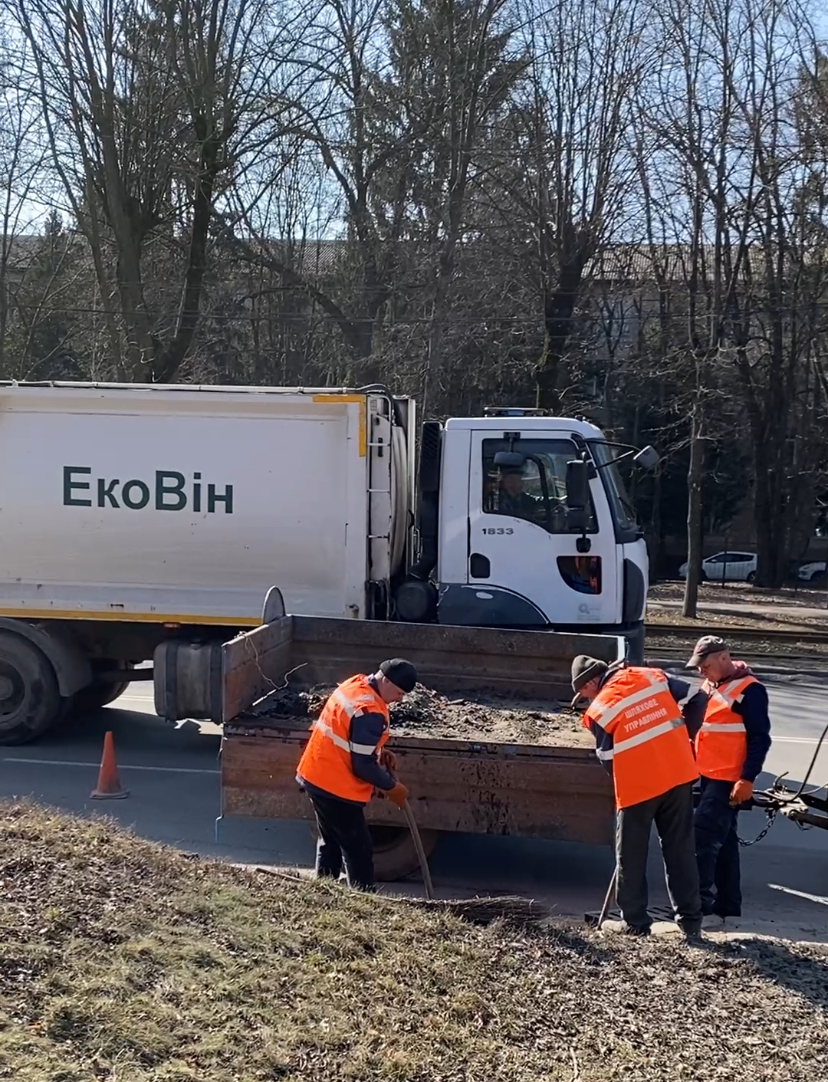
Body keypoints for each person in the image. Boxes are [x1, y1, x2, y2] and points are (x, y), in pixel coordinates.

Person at [571, 655, 705, 940]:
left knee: (630, 856)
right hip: (679, 774)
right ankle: (691, 922)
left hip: (638, 787)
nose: (584, 699)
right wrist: (684, 738)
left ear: (592, 682)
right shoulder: (651, 676)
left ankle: (634, 922)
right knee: (680, 850)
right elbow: (698, 697)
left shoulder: (601, 709)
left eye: (583, 692)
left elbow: (608, 759)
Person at [296, 658, 416, 891]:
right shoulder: (370, 711)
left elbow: (347, 733)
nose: (400, 699)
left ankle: (324, 893)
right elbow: (362, 765)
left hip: (317, 774)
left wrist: (379, 751)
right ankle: (364, 901)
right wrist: (392, 787)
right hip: (334, 785)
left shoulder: (356, 684)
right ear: (386, 680)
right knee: (358, 848)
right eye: (400, 693)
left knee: (330, 841)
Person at [686, 636, 772, 929]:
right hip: (708, 775)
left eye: (705, 666)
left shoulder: (751, 691)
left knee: (703, 839)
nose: (701, 673)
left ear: (724, 658)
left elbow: (760, 739)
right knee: (725, 844)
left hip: (729, 779)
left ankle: (699, 909)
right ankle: (728, 906)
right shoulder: (711, 684)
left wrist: (747, 779)